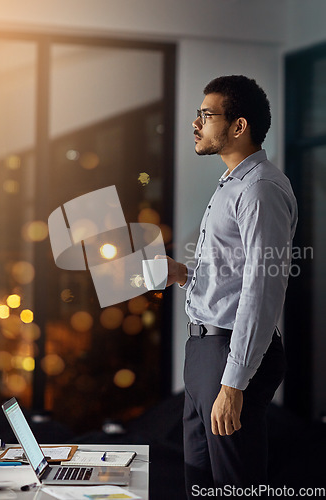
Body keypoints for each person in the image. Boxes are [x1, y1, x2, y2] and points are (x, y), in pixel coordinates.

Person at [163, 75, 298, 496]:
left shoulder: (259, 189)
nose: (196, 123)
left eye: (206, 114)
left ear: (238, 126)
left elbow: (263, 289)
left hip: (228, 356)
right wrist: (183, 275)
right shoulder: (233, 184)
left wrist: (233, 383)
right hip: (205, 351)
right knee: (200, 484)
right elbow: (234, 277)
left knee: (235, 488)